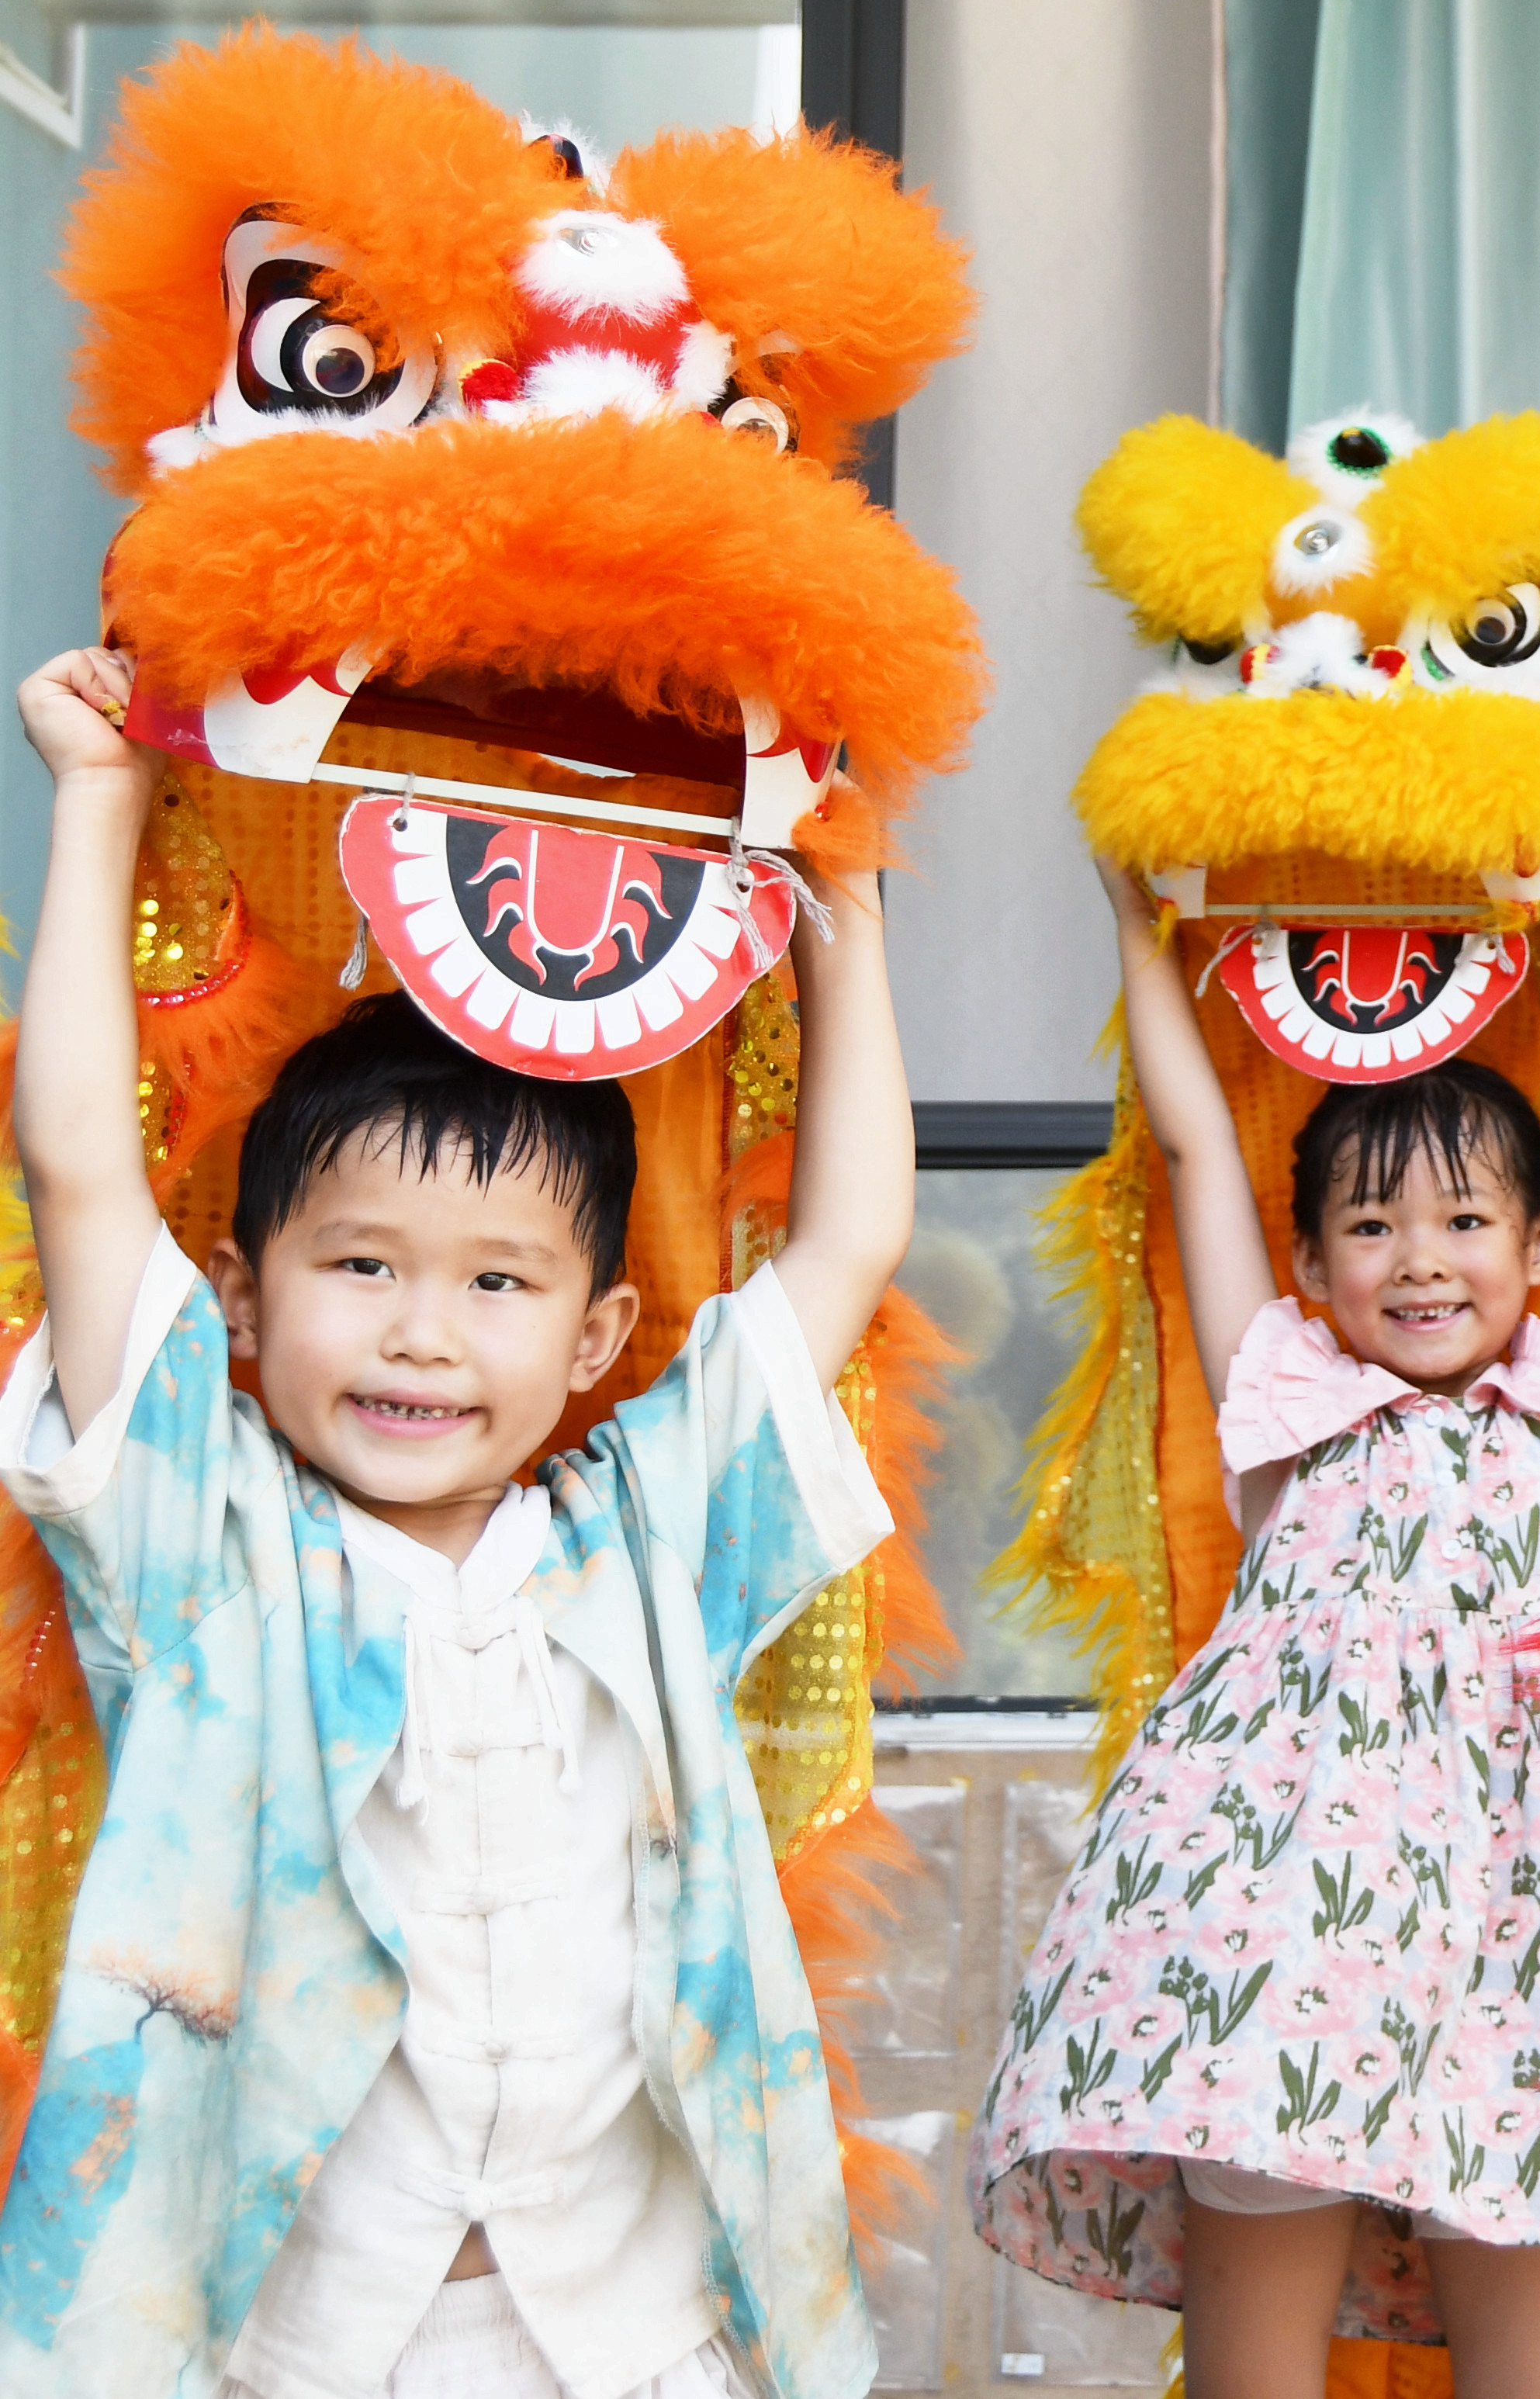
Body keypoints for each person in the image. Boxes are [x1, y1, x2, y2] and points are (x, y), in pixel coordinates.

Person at [0, 646, 913, 2399]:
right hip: (301, 2337)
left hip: (631, 2335)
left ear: (592, 1338)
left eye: (497, 1281)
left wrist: (847, 908)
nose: (423, 1329)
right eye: (360, 1267)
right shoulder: (203, 1546)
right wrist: (98, 797)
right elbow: (81, 1176)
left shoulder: (648, 1538)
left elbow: (849, 1243)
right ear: (240, 1303)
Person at [971, 814, 1540, 2399]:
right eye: (1371, 1224)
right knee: (1253, 2359)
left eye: (1468, 1220)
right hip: (1280, 1932)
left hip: (1515, 1940)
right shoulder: (1294, 1410)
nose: (1422, 1259)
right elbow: (1200, 1149)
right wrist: (1142, 939)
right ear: (1312, 1261)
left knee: (1529, 2320)